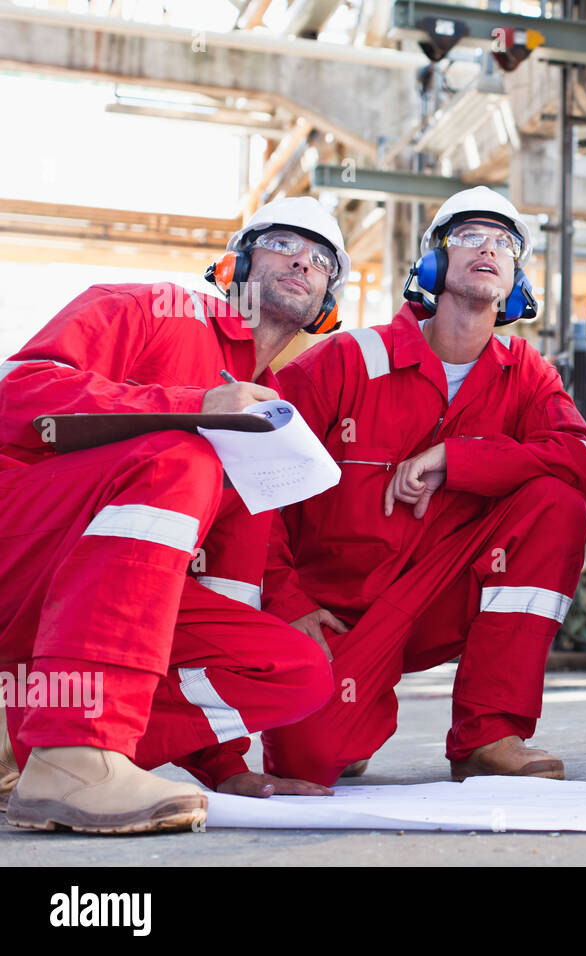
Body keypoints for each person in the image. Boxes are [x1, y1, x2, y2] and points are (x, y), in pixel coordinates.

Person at [0, 196, 349, 833]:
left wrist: (226, 768)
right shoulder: (149, 308)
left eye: (322, 259)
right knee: (180, 456)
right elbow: (18, 395)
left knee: (296, 671)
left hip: (88, 605)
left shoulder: (268, 417)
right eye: (282, 243)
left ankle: (29, 734)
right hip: (21, 542)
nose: (303, 259)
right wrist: (193, 405)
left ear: (328, 302)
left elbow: (227, 587)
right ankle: (72, 747)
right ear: (236, 263)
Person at [258, 187, 586, 786]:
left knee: (557, 503)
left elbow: (583, 464)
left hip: (441, 595)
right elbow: (252, 481)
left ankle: (488, 734)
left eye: (505, 243)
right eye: (471, 236)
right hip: (339, 614)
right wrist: (287, 604)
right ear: (435, 262)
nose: (489, 249)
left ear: (516, 275)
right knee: (311, 764)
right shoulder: (344, 361)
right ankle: (350, 715)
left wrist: (461, 459)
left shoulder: (525, 373)